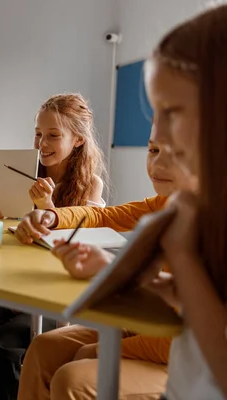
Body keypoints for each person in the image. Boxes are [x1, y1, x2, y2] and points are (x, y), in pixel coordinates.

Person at [0, 93, 107, 400]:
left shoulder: (90, 184)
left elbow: (77, 247)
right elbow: (13, 233)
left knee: (1, 347)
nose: (42, 143)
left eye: (54, 135)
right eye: (38, 134)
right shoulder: (24, 173)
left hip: (55, 292)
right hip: (17, 285)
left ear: (78, 140)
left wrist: (48, 206)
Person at [16, 124, 179, 400]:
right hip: (147, 323)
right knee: (44, 348)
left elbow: (179, 338)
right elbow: (104, 216)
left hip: (185, 354)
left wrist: (99, 351)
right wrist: (53, 217)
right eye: (153, 150)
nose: (157, 163)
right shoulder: (167, 202)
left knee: (73, 378)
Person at [142, 4, 227, 399]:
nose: (159, 132)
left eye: (172, 112)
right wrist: (170, 289)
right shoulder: (207, 204)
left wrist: (185, 259)